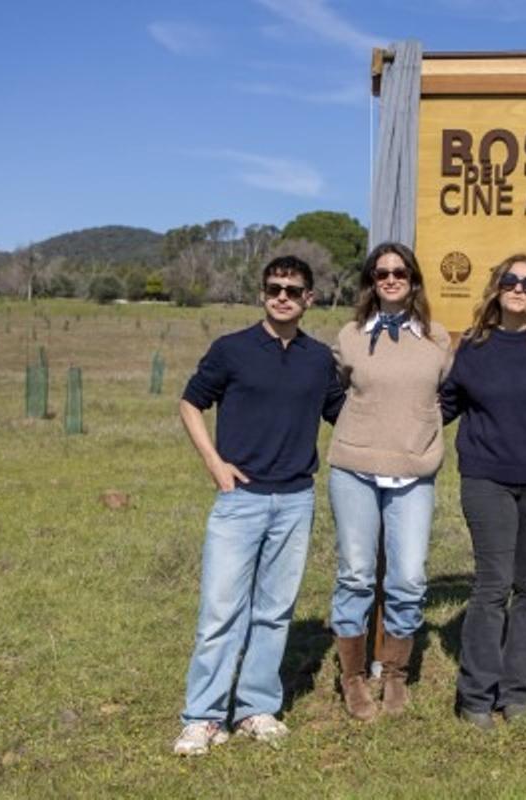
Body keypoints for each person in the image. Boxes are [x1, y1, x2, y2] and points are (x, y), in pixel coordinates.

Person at [174, 255, 345, 756]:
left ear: (310, 298)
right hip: (240, 499)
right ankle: (202, 717)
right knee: (221, 611)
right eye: (275, 288)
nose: (283, 296)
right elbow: (190, 403)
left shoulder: (319, 359)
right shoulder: (231, 350)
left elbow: (343, 413)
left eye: (294, 289)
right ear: (263, 294)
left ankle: (255, 708)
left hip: (295, 499)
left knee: (273, 612)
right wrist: (214, 463)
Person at [440, 254, 526, 730]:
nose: (519, 288)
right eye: (511, 280)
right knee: (492, 584)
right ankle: (476, 694)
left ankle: (516, 691)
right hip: (486, 477)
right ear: (496, 287)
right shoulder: (473, 346)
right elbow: (445, 404)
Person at [328, 242, 451, 721]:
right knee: (356, 574)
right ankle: (354, 678)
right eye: (382, 274)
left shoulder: (437, 340)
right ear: (371, 282)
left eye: (400, 272)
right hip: (353, 469)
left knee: (408, 577)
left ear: (414, 279)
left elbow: (443, 394)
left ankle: (395, 674)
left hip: (414, 470)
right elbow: (339, 387)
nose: (392, 279)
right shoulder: (351, 335)